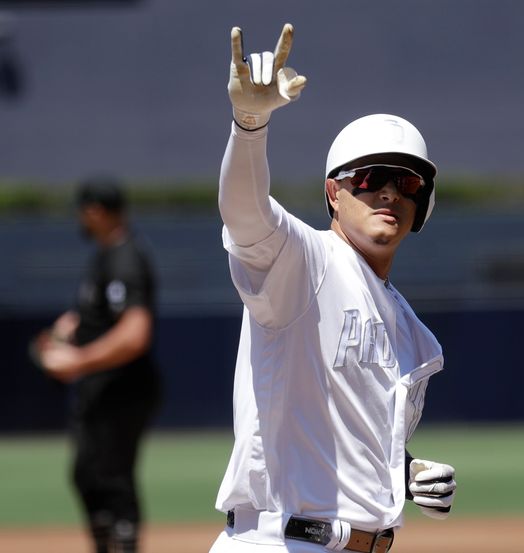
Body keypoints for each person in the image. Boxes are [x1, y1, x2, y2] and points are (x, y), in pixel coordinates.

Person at [210, 24, 456, 553]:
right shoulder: (306, 263)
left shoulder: (407, 326)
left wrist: (403, 473)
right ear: (333, 195)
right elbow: (246, 217)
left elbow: (339, 437)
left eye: (407, 181)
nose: (389, 191)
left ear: (422, 206)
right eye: (368, 177)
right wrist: (249, 126)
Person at [32, 177, 162, 553]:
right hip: (102, 389)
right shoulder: (105, 256)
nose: (80, 219)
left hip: (123, 388)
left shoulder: (125, 256)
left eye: (83, 211)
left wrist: (78, 360)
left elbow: (135, 333)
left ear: (97, 212)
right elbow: (97, 317)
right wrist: (66, 333)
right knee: (89, 475)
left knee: (111, 478)